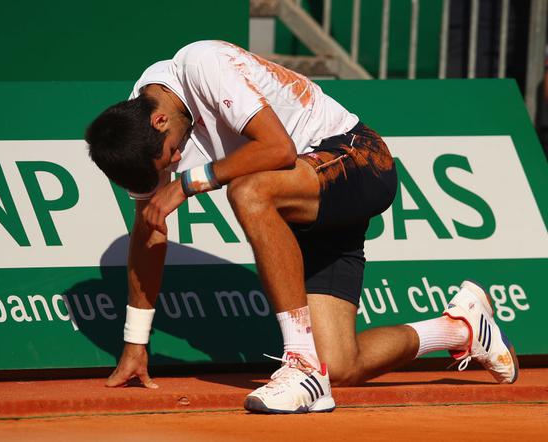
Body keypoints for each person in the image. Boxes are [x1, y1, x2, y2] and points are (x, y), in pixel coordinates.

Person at [85, 40, 518, 414]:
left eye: (171, 155)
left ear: (159, 121)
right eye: (171, 162)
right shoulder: (140, 124)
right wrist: (136, 341)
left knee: (248, 192)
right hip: (301, 201)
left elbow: (277, 148)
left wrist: (189, 182)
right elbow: (150, 229)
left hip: (357, 159)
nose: (176, 160)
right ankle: (463, 327)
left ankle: (302, 366)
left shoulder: (202, 63)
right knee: (342, 365)